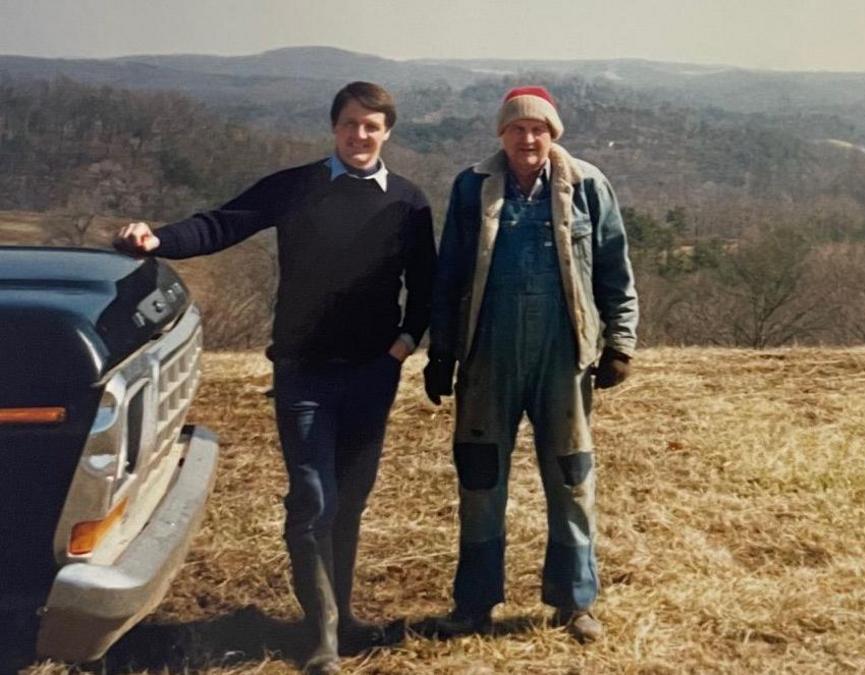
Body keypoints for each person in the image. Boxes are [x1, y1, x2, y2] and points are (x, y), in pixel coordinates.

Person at [113, 81, 435, 674]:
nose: (359, 135)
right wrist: (158, 238)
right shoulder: (296, 187)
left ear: (388, 131)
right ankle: (322, 636)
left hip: (372, 375)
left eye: (371, 125)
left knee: (351, 499)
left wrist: (405, 343)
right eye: (349, 124)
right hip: (303, 371)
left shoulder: (408, 202)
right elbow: (223, 223)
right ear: (333, 128)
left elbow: (427, 283)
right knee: (313, 497)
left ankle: (342, 613)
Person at [423, 86, 638, 643]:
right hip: (486, 358)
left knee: (571, 477)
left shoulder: (588, 186)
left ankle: (575, 602)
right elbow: (447, 276)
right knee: (480, 478)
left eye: (539, 129)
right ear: (502, 134)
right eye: (517, 129)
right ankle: (473, 605)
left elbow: (615, 271)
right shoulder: (472, 187)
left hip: (561, 359)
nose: (528, 138)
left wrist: (620, 343)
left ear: (553, 134)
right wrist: (441, 352)